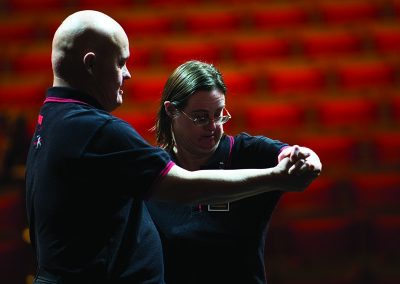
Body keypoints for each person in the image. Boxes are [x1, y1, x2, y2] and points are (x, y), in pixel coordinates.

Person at [25, 10, 321, 284]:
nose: (127, 74)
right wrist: (276, 178)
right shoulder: (94, 129)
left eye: (220, 115)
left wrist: (296, 158)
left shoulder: (52, 117)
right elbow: (183, 187)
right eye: (121, 62)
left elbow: (288, 153)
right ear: (90, 64)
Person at [146, 60, 322, 284]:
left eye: (219, 114)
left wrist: (305, 159)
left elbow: (301, 157)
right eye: (200, 117)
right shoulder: (153, 168)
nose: (213, 126)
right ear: (171, 110)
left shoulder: (248, 152)